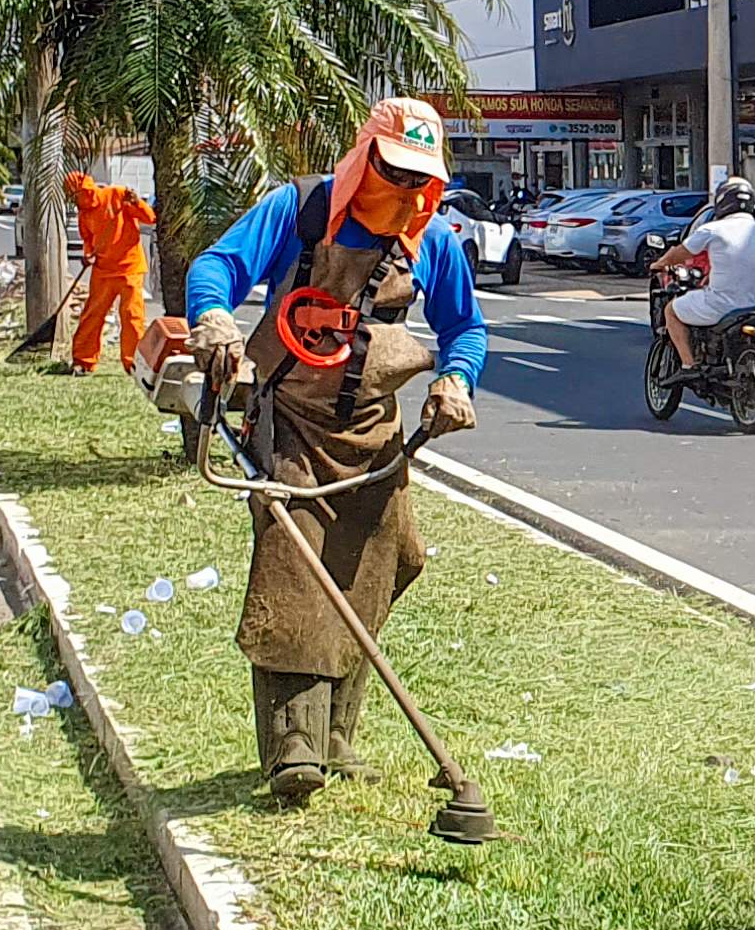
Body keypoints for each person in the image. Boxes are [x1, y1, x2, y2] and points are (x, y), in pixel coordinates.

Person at [183, 98, 487, 805]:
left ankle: (337, 735)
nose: (406, 192)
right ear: (364, 157)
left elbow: (466, 328)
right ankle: (294, 745)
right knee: (296, 566)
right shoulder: (301, 212)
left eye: (421, 179)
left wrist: (455, 378)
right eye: (392, 171)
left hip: (374, 432)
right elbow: (216, 266)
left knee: (383, 563)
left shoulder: (432, 243)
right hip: (289, 419)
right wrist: (216, 320)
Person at [657, 174, 755, 373]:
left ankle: (689, 364)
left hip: (721, 306)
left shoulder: (713, 229)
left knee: (671, 311)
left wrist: (659, 263)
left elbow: (680, 253)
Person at [64, 167, 157, 375]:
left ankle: (132, 363)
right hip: (103, 270)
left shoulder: (117, 195)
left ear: (86, 191)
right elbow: (88, 239)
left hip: (129, 268)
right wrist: (88, 254)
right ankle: (83, 361)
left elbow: (149, 218)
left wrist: (136, 202)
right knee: (92, 315)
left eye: (75, 197)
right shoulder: (84, 214)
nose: (75, 202)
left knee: (132, 316)